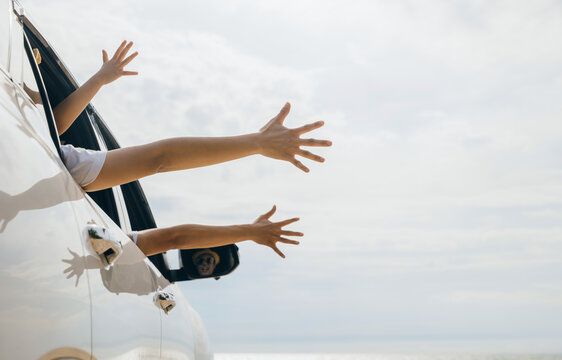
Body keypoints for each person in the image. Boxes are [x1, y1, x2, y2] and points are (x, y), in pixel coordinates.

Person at [48, 41, 330, 259]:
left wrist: (98, 80)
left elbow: (49, 129)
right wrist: (256, 144)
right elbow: (174, 234)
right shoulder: (109, 244)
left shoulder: (53, 161)